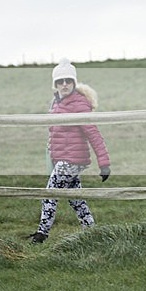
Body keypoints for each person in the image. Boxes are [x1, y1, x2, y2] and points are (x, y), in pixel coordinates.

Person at [29, 59, 111, 243]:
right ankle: (92, 232)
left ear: (74, 83)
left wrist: (104, 163)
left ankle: (42, 234)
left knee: (50, 193)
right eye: (60, 81)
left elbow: (93, 133)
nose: (64, 84)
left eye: (68, 80)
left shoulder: (78, 104)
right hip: (63, 159)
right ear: (55, 85)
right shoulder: (57, 103)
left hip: (72, 160)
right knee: (76, 199)